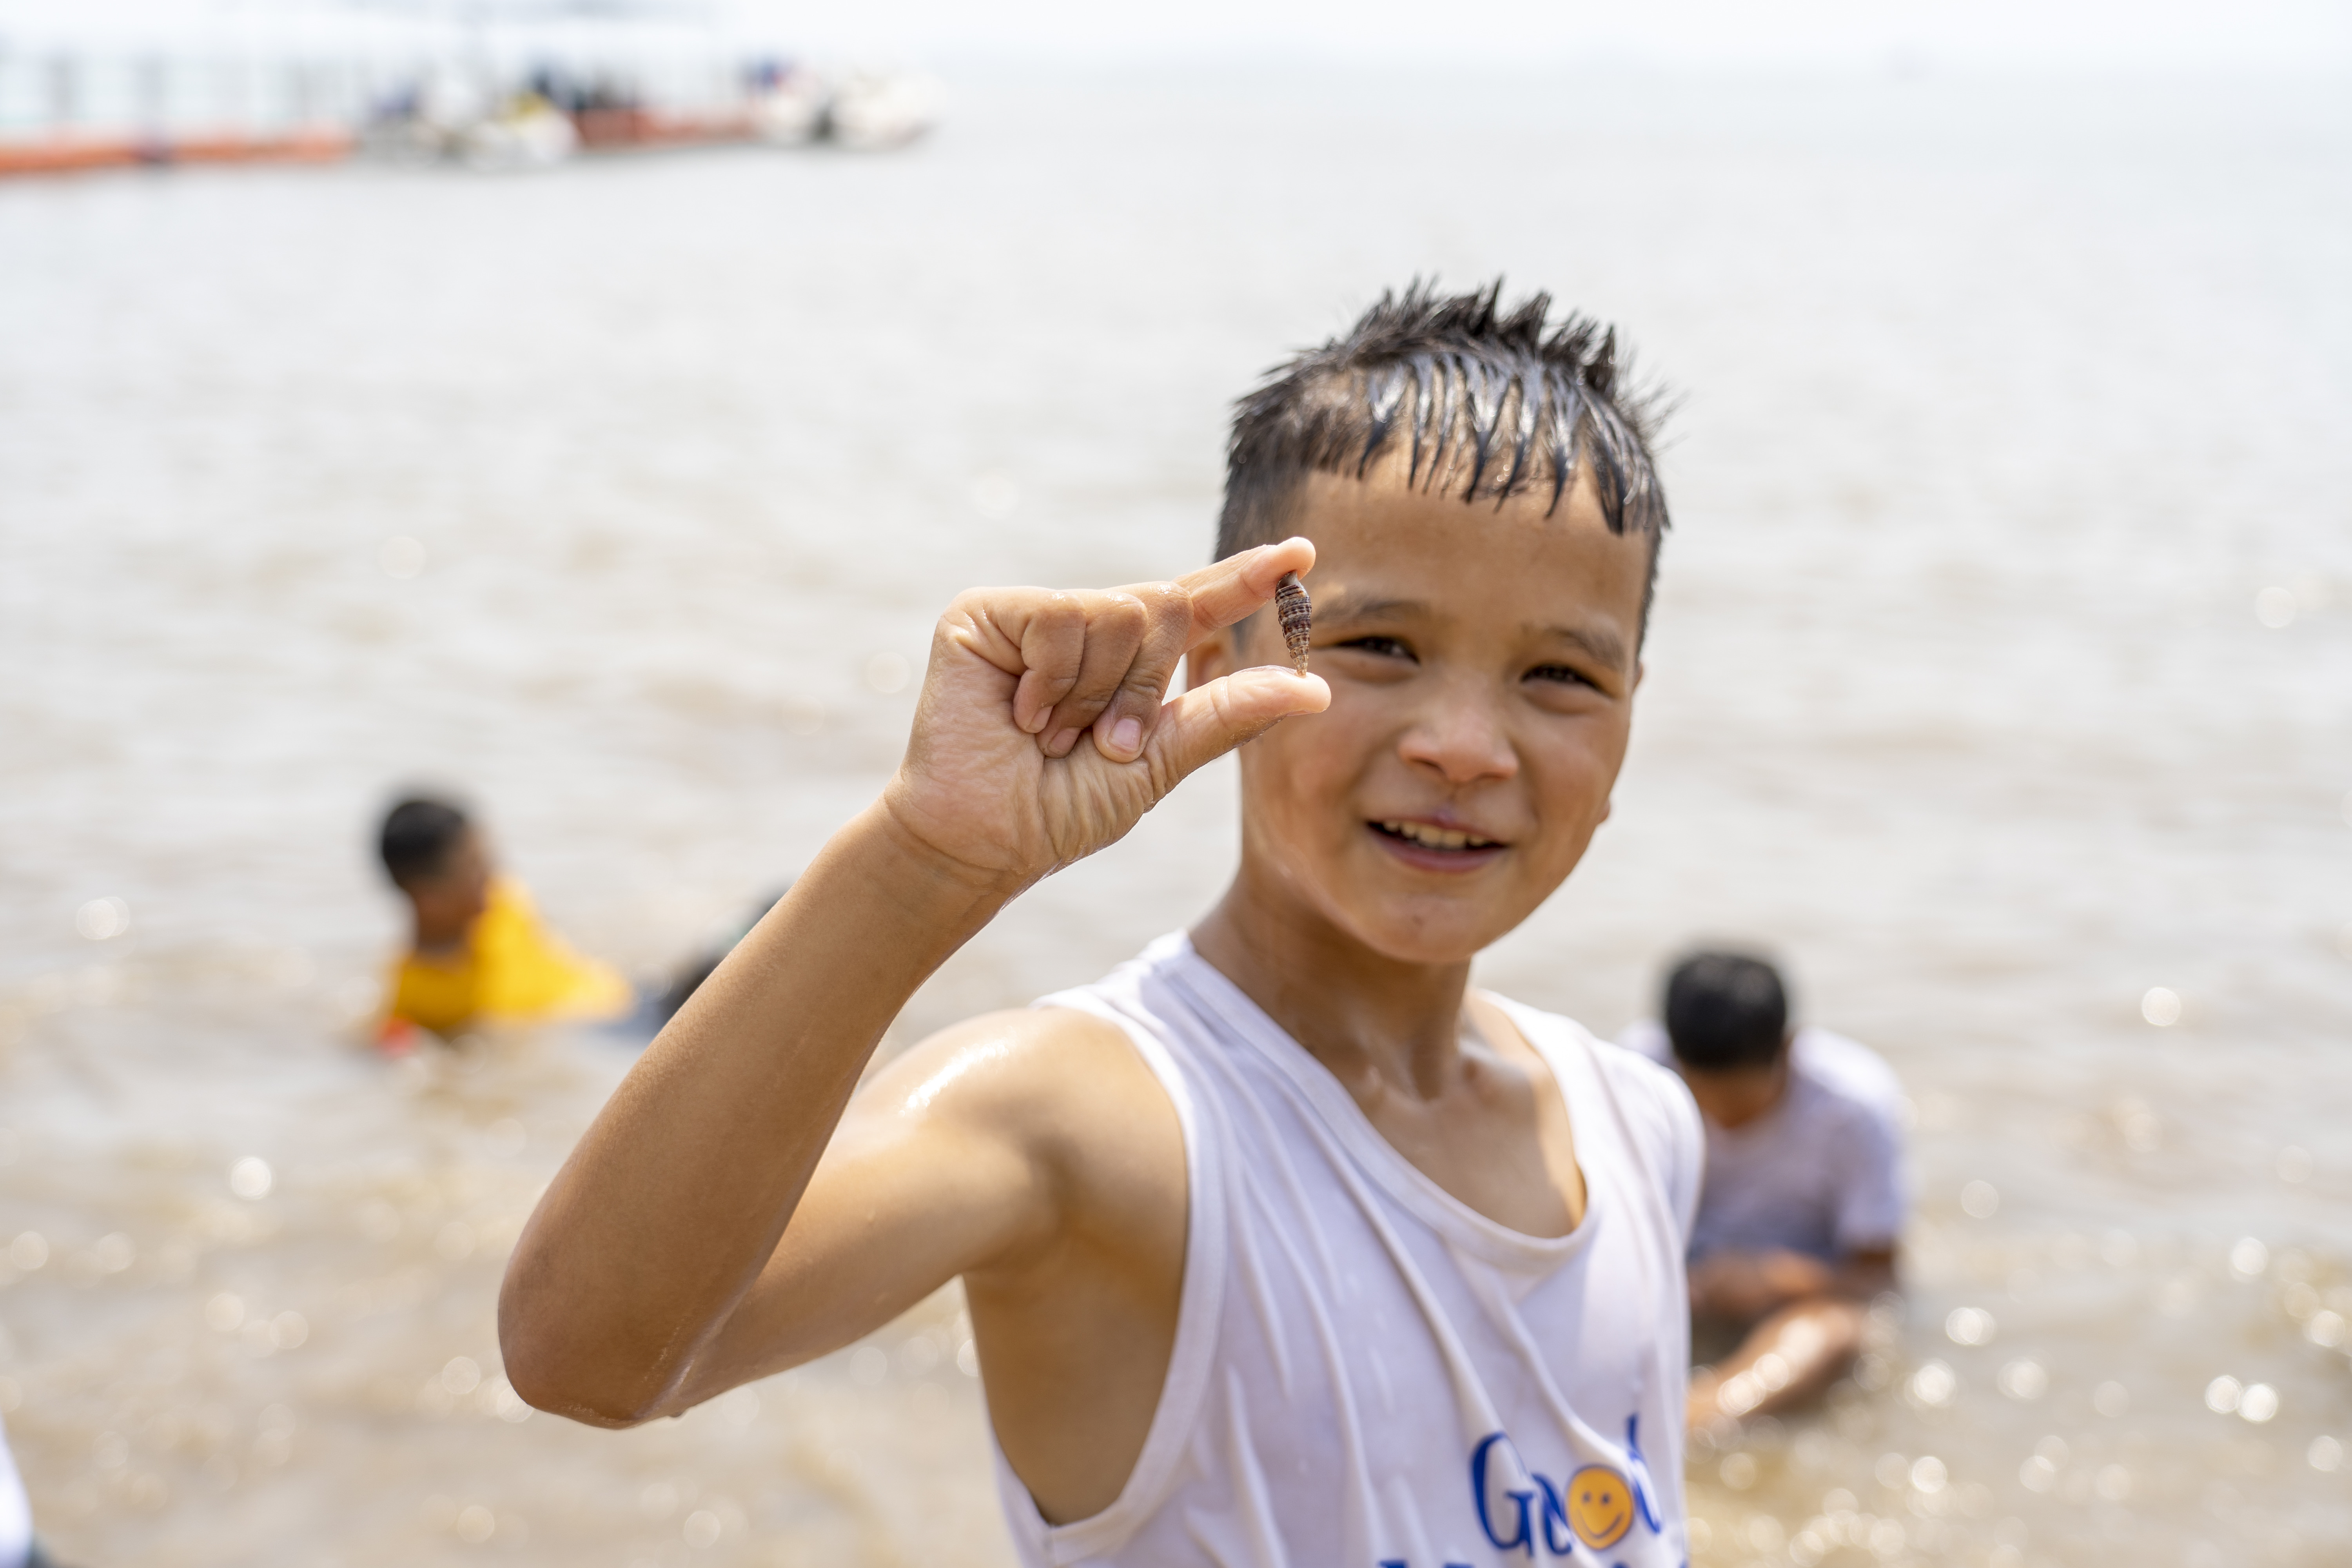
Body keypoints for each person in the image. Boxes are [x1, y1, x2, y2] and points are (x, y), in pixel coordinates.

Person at [501, 282, 1702, 1566]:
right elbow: (592, 1356)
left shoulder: (1639, 1124)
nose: (1464, 746)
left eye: (1561, 676)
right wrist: (923, 860)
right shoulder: (1094, 1124)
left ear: (1632, 709)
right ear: (1226, 656)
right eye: (1380, 646)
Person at [1619, 952, 1907, 1433]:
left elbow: (1878, 1276)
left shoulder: (1857, 1105)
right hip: (1680, 1277)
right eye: (1700, 1099)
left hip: (1798, 1294)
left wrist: (1774, 1279)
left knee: (1831, 1331)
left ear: (1789, 1050)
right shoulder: (1636, 1073)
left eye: (1738, 1102)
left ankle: (1691, 1422)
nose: (1720, 1118)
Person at [374, 796, 631, 1048]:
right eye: (473, 867)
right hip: (602, 1041)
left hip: (628, 1003)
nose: (490, 874)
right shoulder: (414, 996)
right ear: (429, 899)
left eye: (485, 859)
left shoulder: (501, 901)